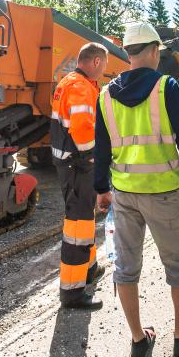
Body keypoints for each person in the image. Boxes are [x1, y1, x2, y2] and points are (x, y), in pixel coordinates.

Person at [94, 21, 179, 357]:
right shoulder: (165, 87)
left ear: (128, 52)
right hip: (164, 193)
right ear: (155, 51)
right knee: (178, 266)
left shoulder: (104, 95)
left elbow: (100, 151)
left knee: (125, 269)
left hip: (124, 195)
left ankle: (138, 341)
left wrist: (102, 189)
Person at [51, 42, 109, 310]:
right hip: (79, 165)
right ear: (96, 62)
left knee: (85, 221)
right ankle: (72, 293)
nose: (105, 70)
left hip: (71, 165)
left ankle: (89, 268)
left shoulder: (68, 82)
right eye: (105, 65)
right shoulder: (81, 88)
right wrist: (100, 157)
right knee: (77, 228)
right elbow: (84, 134)